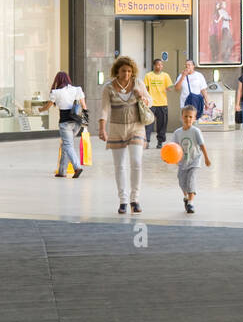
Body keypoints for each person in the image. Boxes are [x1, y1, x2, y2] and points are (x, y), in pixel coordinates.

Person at [100, 55, 153, 215]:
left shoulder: (138, 83)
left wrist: (140, 96)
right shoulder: (108, 87)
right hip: (116, 128)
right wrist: (102, 128)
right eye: (124, 71)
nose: (127, 74)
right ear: (117, 71)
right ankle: (123, 200)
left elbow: (150, 102)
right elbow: (104, 109)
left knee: (136, 161)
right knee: (120, 165)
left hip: (136, 126)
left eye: (130, 71)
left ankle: (134, 199)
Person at [44, 71, 87, 180]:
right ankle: (62, 171)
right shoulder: (77, 89)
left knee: (67, 145)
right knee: (65, 145)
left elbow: (48, 106)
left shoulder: (56, 92)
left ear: (57, 81)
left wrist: (40, 109)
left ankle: (77, 167)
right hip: (77, 123)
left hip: (65, 123)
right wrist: (85, 123)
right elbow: (84, 106)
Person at [172, 105, 211, 214]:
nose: (188, 119)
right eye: (186, 116)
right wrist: (170, 159)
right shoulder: (177, 133)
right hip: (182, 162)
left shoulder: (196, 131)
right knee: (182, 182)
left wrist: (207, 158)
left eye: (190, 117)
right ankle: (186, 197)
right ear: (181, 117)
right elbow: (173, 148)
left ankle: (191, 203)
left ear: (194, 119)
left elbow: (202, 145)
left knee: (191, 180)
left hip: (194, 160)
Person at [143, 58, 173, 149]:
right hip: (151, 103)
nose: (160, 66)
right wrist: (145, 99)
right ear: (154, 65)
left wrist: (169, 88)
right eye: (158, 65)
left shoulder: (165, 76)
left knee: (162, 124)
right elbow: (145, 89)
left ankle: (160, 141)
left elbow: (169, 87)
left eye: (161, 65)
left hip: (162, 103)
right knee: (148, 123)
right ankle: (147, 141)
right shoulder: (148, 76)